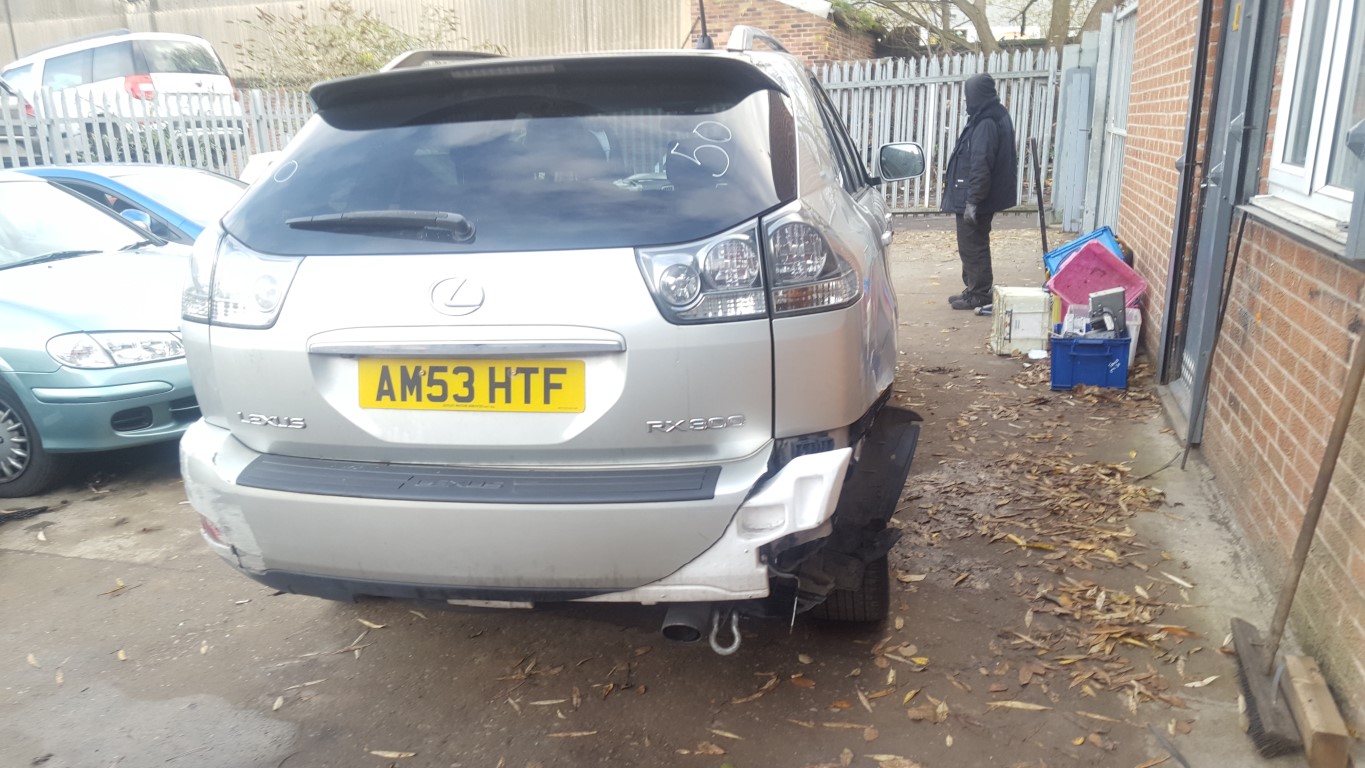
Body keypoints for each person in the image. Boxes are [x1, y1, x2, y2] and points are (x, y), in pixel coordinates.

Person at [942, 73, 1018, 310]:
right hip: (977, 194)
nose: (966, 101)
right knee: (973, 243)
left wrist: (973, 201)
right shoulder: (991, 114)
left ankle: (979, 294)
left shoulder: (986, 121)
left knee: (972, 244)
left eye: (968, 95)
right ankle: (973, 289)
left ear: (976, 95)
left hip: (975, 196)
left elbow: (980, 164)